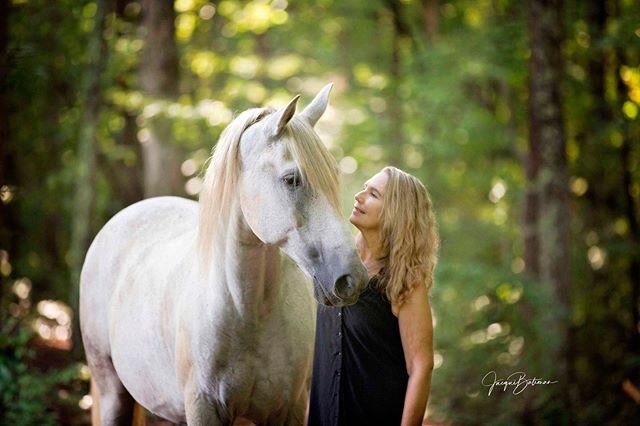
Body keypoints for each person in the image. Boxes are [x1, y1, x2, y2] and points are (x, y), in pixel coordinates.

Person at [308, 166, 439, 426]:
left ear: (396, 213)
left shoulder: (404, 281)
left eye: (373, 194)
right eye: (364, 188)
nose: (359, 196)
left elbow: (420, 366)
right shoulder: (334, 264)